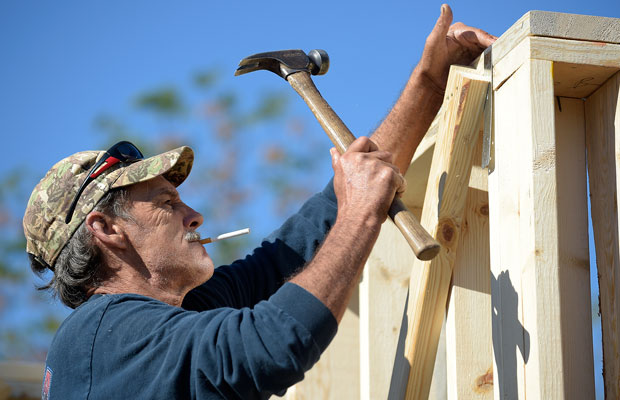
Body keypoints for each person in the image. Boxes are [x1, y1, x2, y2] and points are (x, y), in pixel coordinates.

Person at [23, 5, 495, 399]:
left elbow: (298, 246)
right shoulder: (101, 334)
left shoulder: (174, 319)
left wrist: (430, 83)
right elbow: (272, 345)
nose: (194, 215)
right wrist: (361, 213)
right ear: (107, 229)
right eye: (167, 202)